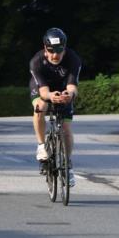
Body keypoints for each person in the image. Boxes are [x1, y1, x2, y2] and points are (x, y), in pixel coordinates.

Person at [29, 28, 81, 188]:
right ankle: (41, 146)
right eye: (51, 51)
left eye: (59, 51)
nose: (55, 55)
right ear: (45, 48)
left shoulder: (73, 59)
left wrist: (69, 95)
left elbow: (73, 87)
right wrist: (51, 96)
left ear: (65, 48)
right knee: (41, 106)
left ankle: (67, 164)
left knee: (66, 128)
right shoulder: (36, 61)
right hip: (43, 88)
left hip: (63, 88)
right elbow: (44, 92)